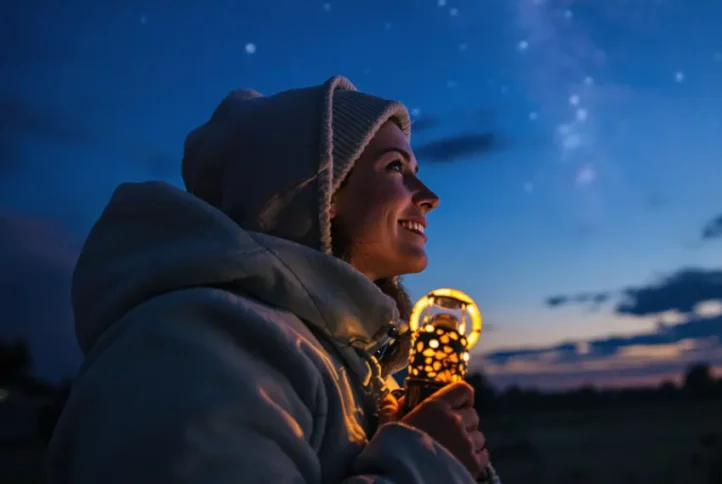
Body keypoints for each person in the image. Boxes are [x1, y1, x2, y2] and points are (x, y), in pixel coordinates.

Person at [47, 76, 492, 483]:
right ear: (319, 192)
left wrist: (441, 456)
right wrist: (424, 465)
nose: (430, 197)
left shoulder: (348, 368)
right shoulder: (194, 347)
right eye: (395, 168)